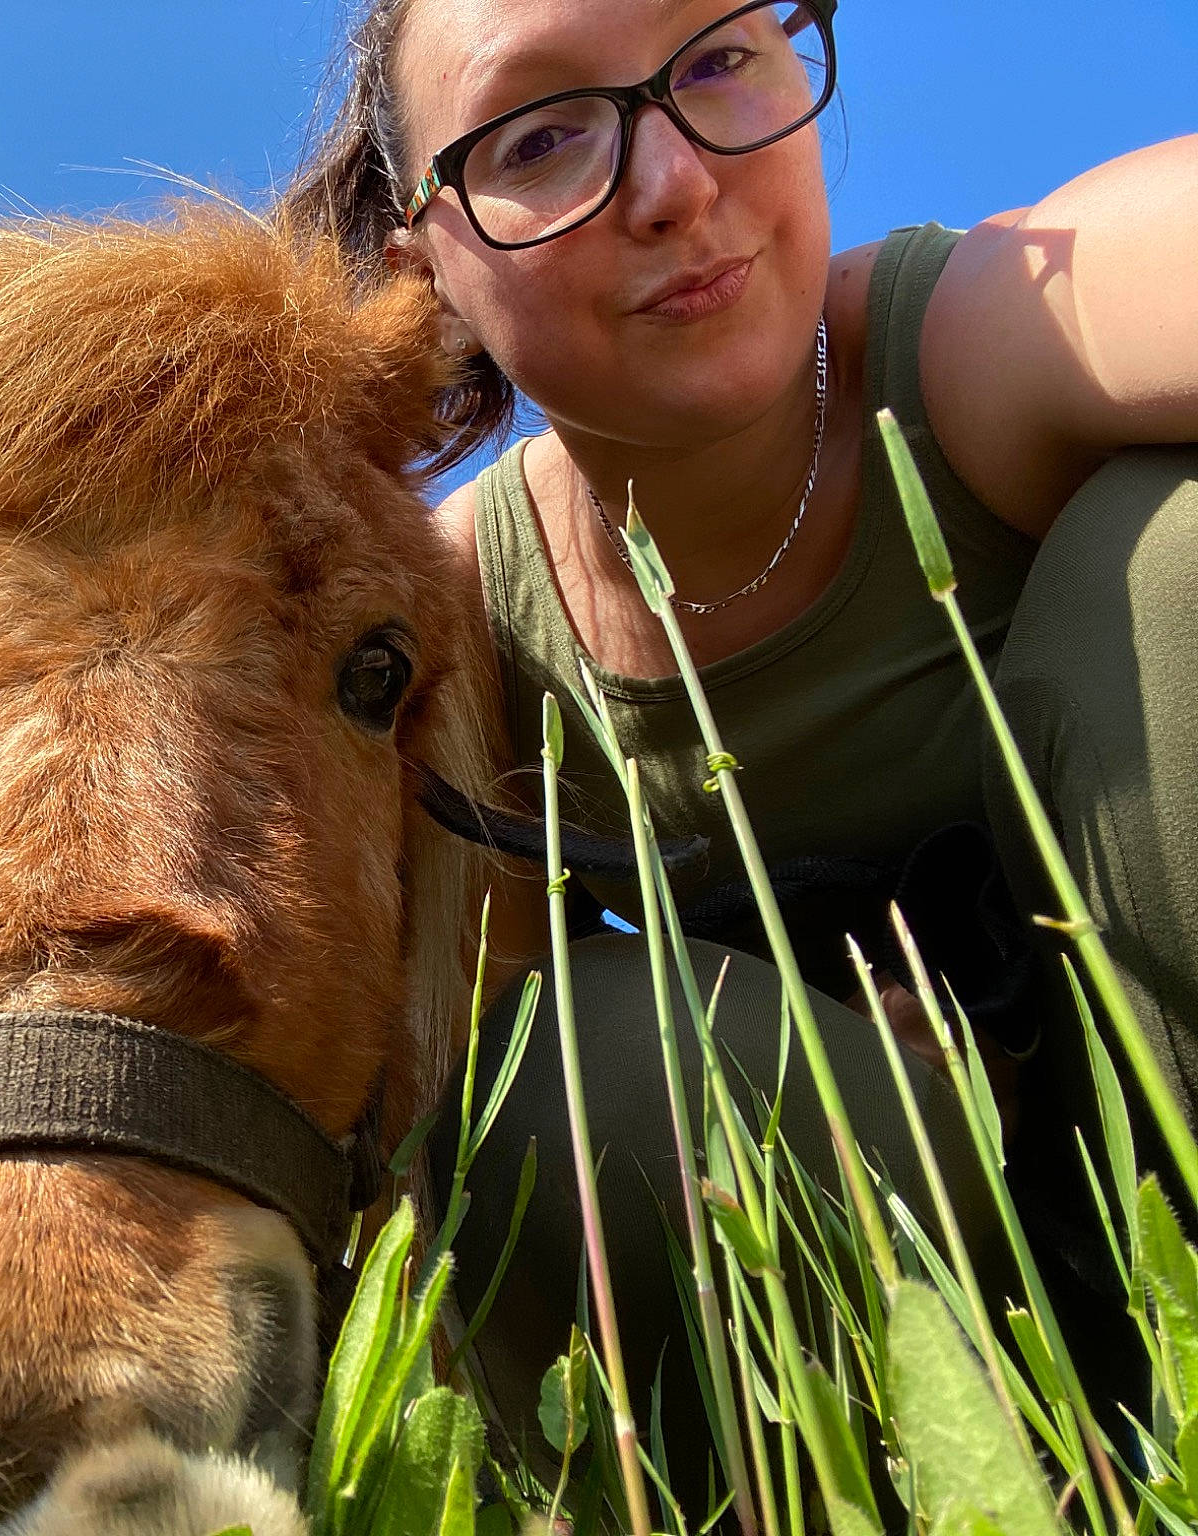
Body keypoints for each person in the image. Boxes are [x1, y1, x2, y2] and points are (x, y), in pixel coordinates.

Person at [289, 0, 1198, 1476]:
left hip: (1162, 1160)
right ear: (428, 269)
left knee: (1174, 568)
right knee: (546, 1068)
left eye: (718, 58)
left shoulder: (970, 340)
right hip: (865, 1324)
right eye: (540, 135)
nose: (675, 185)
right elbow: (442, 1137)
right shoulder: (465, 626)